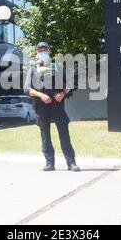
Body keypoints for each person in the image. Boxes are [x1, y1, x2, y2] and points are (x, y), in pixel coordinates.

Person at [24, 42, 80, 172]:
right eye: (40, 50)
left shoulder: (58, 67)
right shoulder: (33, 69)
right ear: (37, 53)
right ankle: (50, 163)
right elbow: (27, 89)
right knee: (45, 136)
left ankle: (71, 163)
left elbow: (69, 84)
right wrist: (41, 95)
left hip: (57, 104)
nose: (42, 52)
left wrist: (62, 94)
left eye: (45, 49)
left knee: (64, 135)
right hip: (41, 106)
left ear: (49, 51)